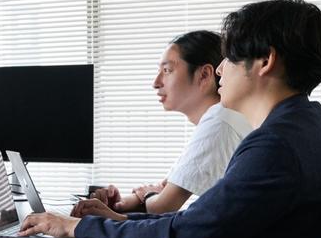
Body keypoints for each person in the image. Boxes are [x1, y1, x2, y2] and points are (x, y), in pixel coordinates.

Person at [19, 0, 321, 238]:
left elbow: (184, 234)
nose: (221, 69)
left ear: (265, 61)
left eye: (231, 57)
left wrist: (74, 228)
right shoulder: (309, 126)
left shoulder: (276, 146)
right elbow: (198, 221)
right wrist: (115, 221)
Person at [85, 31, 252, 215]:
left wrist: (147, 196)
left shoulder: (219, 121)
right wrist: (122, 203)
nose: (156, 83)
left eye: (167, 71)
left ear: (204, 75)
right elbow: (163, 191)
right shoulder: (222, 119)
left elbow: (161, 206)